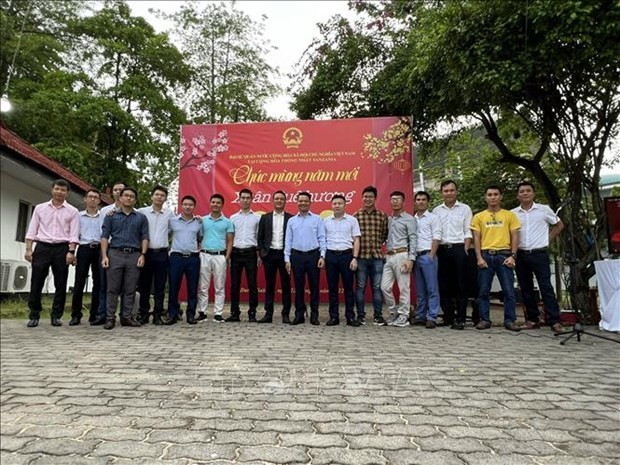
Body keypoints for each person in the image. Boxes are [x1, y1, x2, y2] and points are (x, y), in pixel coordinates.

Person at [25, 179, 79, 327]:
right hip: (42, 247)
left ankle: (56, 315)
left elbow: (74, 234)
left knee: (60, 283)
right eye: (57, 189)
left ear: (67, 193)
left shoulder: (73, 211)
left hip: (62, 248)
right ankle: (34, 314)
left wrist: (71, 252)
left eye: (63, 190)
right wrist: (29, 249)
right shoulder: (40, 208)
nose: (59, 192)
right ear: (52, 190)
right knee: (36, 282)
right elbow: (32, 230)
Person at [512, 181, 565, 332]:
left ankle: (554, 320)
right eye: (522, 191)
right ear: (518, 195)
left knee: (546, 287)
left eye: (528, 190)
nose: (525, 193)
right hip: (521, 254)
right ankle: (532, 319)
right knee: (526, 288)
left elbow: (559, 225)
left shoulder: (544, 209)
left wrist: (547, 239)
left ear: (533, 193)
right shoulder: (513, 213)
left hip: (539, 253)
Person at [471, 185, 521, 331]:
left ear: (501, 196)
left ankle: (510, 320)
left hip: (504, 256)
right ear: (485, 197)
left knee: (508, 291)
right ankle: (485, 319)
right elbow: (476, 238)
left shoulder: (509, 215)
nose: (493, 197)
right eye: (490, 194)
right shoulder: (479, 216)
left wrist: (513, 256)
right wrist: (479, 258)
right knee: (483, 291)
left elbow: (515, 236)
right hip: (486, 256)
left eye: (495, 194)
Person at [100, 187, 149, 330]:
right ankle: (110, 318)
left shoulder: (141, 217)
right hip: (115, 253)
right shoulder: (111, 216)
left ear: (135, 200)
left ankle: (126, 316)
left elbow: (145, 237)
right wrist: (104, 255)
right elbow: (104, 236)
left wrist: (143, 254)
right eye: (126, 196)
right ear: (120, 198)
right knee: (112, 288)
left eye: (132, 196)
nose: (129, 198)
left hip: (134, 254)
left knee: (130, 288)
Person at [432, 180, 473, 330]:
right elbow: (435, 233)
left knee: (460, 285)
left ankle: (460, 318)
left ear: (456, 191)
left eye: (451, 190)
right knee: (444, 284)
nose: (449, 193)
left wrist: (466, 249)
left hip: (459, 249)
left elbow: (468, 230)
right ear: (441, 193)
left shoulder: (465, 209)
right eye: (446, 191)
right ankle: (447, 317)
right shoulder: (436, 211)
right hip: (442, 250)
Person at [285, 192, 326, 325]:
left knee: (314, 287)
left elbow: (322, 238)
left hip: (313, 256)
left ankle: (314, 315)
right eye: (300, 201)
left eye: (305, 201)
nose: (303, 203)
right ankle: (299, 315)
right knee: (298, 287)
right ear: (297, 202)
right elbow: (288, 241)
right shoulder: (291, 221)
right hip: (296, 256)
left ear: (310, 202)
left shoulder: (317, 219)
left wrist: (322, 256)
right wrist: (287, 259)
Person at [137, 185, 174, 325]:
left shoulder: (170, 214)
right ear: (152, 196)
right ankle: (144, 313)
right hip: (146, 253)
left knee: (160, 286)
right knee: (144, 285)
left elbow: (173, 228)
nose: (159, 197)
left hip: (162, 254)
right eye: (157, 194)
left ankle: (158, 314)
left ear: (165, 198)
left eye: (162, 195)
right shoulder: (142, 212)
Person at [324, 194, 361, 327]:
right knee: (332, 288)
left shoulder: (352, 220)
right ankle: (334, 317)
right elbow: (323, 240)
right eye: (335, 203)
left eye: (340, 203)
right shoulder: (326, 221)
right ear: (331, 205)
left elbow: (356, 239)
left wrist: (354, 258)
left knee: (348, 288)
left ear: (345, 205)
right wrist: (323, 256)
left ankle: (350, 316)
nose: (337, 205)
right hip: (331, 256)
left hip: (346, 256)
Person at [381, 191, 417, 328]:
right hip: (389, 256)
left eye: (397, 199)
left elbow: (413, 239)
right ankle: (394, 312)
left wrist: (411, 259)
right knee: (384, 287)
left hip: (402, 255)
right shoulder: (389, 220)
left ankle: (404, 315)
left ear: (403, 202)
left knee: (404, 287)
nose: (394, 201)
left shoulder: (409, 219)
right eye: (392, 199)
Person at [353, 186, 388, 325]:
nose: (367, 199)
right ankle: (360, 315)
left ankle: (378, 316)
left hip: (377, 258)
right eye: (365, 197)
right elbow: (353, 237)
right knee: (360, 288)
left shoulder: (382, 215)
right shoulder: (356, 215)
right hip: (361, 257)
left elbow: (385, 234)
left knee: (376, 288)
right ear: (362, 198)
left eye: (370, 197)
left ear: (375, 198)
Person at [256, 190, 292, 324]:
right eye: (276, 198)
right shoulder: (265, 218)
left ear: (285, 201)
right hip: (269, 255)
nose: (279, 201)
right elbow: (259, 237)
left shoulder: (290, 218)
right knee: (269, 285)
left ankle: (286, 314)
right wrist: (260, 254)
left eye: (281, 199)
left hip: (284, 255)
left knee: (286, 285)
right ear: (273, 200)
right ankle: (268, 314)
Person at [92, 181, 125, 325]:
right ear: (113, 193)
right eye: (116, 190)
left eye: (121, 190)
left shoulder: (135, 212)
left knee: (124, 286)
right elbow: (102, 232)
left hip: (124, 251)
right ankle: (102, 314)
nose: (118, 192)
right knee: (103, 283)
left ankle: (125, 314)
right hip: (108, 249)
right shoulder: (105, 211)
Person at [197, 194, 233, 322]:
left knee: (219, 286)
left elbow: (230, 241)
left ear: (222, 205)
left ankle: (218, 313)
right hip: (205, 254)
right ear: (210, 203)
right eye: (213, 202)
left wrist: (227, 257)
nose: (215, 204)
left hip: (220, 256)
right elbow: (198, 237)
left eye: (218, 202)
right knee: (203, 286)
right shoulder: (202, 220)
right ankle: (202, 312)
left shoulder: (228, 222)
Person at [166, 195, 202, 325]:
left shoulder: (198, 222)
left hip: (193, 258)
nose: (188, 207)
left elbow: (200, 238)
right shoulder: (173, 221)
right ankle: (173, 314)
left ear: (194, 207)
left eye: (190, 205)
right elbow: (167, 235)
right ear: (181, 205)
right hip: (176, 257)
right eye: (185, 204)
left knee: (192, 288)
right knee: (174, 287)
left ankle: (191, 315)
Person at [70, 189, 103, 326]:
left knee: (98, 283)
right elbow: (73, 234)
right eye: (90, 197)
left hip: (99, 250)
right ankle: (76, 315)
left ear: (99, 200)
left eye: (95, 197)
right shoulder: (78, 216)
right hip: (83, 249)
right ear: (85, 199)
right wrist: (72, 252)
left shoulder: (104, 216)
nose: (92, 200)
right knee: (79, 282)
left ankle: (94, 314)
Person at [227, 188, 261, 322]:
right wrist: (228, 256)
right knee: (235, 285)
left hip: (251, 253)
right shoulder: (233, 218)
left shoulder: (258, 217)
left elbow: (259, 237)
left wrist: (259, 256)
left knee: (252, 285)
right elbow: (229, 238)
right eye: (243, 198)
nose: (245, 200)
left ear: (252, 199)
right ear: (239, 199)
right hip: (236, 253)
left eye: (248, 198)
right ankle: (235, 313)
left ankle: (252, 313)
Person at [412, 191, 442, 328]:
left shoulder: (433, 218)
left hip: (427, 255)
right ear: (415, 202)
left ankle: (432, 316)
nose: (421, 202)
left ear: (428, 202)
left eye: (423, 199)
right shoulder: (412, 219)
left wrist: (431, 255)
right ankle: (420, 315)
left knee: (432, 288)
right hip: (415, 256)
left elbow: (436, 237)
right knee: (420, 289)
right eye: (418, 199)